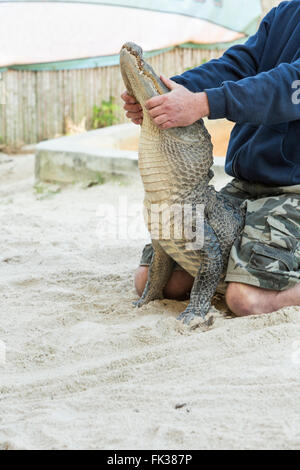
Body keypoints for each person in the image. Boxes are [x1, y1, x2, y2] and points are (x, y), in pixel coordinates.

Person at [121, 0, 300, 317]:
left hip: (293, 192)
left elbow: (290, 84)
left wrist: (204, 103)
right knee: (156, 281)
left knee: (245, 299)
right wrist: (170, 95)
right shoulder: (288, 11)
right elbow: (239, 65)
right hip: (247, 185)